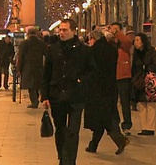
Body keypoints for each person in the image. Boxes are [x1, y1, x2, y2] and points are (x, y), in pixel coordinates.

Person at [41, 19, 96, 165]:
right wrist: (44, 96)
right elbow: (46, 74)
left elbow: (92, 71)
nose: (61, 33)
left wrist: (81, 81)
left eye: (65, 30)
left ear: (73, 31)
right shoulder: (53, 49)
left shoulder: (83, 50)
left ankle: (69, 161)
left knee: (73, 131)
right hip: (57, 95)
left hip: (76, 96)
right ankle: (62, 157)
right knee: (60, 129)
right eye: (60, 30)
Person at [84, 30, 129, 155]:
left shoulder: (92, 52)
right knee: (105, 116)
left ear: (94, 38)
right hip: (110, 87)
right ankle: (93, 145)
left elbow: (90, 70)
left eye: (90, 39)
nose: (89, 42)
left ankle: (119, 140)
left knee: (102, 118)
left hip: (96, 89)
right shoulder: (112, 50)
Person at [131, 32, 156, 136]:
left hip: (149, 81)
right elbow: (134, 67)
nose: (135, 43)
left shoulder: (152, 51)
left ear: (143, 41)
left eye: (137, 40)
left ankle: (150, 128)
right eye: (135, 40)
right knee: (142, 104)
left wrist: (147, 68)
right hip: (139, 81)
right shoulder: (135, 53)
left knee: (151, 104)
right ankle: (143, 127)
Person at [110, 22, 133, 134]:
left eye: (116, 29)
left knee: (125, 101)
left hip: (123, 75)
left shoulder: (124, 43)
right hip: (112, 75)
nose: (113, 31)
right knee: (112, 101)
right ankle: (114, 123)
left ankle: (127, 124)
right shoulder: (110, 42)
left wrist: (118, 34)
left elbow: (127, 42)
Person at [17, 27, 47, 108]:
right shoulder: (41, 43)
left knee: (30, 85)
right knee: (37, 84)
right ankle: (36, 99)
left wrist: (18, 69)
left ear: (28, 34)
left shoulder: (24, 43)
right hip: (39, 66)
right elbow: (46, 54)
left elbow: (20, 56)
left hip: (27, 67)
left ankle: (34, 101)